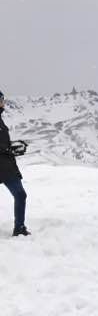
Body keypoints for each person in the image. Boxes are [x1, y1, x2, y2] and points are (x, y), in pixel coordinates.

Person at [0, 90, 30, 236]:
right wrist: (8, 149)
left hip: (6, 165)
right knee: (20, 195)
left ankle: (19, 228)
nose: (3, 103)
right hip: (4, 166)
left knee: (20, 195)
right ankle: (19, 228)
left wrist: (13, 147)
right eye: (1, 100)